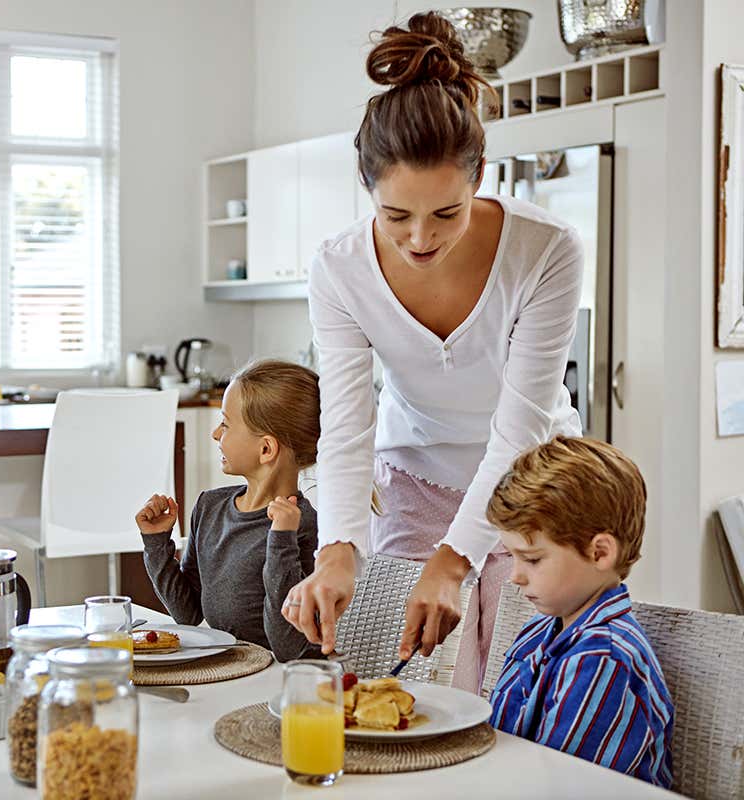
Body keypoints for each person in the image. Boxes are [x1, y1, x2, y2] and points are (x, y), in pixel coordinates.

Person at [282, 10, 584, 692]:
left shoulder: (547, 251)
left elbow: (521, 427)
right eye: (396, 217)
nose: (420, 238)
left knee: (516, 673)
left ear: (478, 177)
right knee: (410, 674)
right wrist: (338, 548)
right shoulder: (338, 269)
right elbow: (350, 424)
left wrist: (456, 561)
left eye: (446, 213)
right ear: (367, 191)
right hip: (415, 474)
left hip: (534, 480)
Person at [486, 436, 673, 788]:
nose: (515, 576)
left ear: (600, 553)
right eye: (512, 557)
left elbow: (553, 786)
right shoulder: (538, 632)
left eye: (533, 559)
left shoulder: (604, 658)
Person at [137, 360, 335, 662]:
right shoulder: (209, 507)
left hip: (281, 680)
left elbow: (287, 647)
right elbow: (188, 614)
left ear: (266, 449)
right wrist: (156, 543)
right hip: (233, 669)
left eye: (226, 424)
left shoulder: (303, 526)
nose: (216, 433)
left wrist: (282, 539)